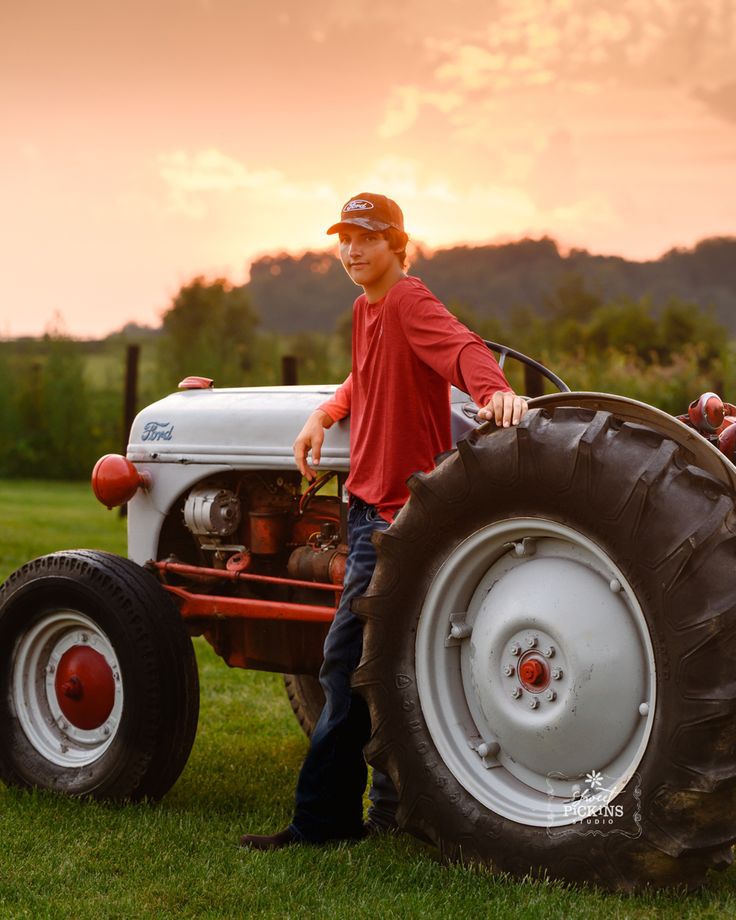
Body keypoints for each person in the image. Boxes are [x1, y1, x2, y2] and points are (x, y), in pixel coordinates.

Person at [240, 193, 528, 850]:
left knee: (343, 662)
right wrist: (323, 415)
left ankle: (322, 823)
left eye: (367, 238)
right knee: (388, 663)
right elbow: (363, 377)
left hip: (393, 519)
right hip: (365, 505)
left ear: (397, 245)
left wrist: (495, 393)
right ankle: (392, 809)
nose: (352, 250)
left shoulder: (407, 300)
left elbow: (461, 347)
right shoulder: (365, 309)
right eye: (345, 238)